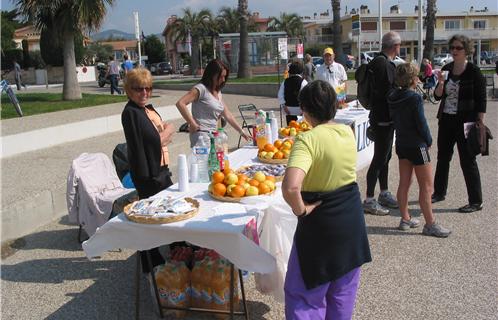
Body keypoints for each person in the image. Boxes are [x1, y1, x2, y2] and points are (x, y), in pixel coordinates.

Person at [282, 80, 371, 319]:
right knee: (343, 294)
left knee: (304, 295)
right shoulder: (347, 131)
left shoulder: (307, 140)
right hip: (351, 220)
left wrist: (301, 210)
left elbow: (291, 188)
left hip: (320, 224)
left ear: (305, 110)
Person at [121, 68, 176, 272]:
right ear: (128, 90)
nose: (144, 92)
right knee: (153, 217)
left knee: (164, 213)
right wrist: (169, 130)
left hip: (159, 169)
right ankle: (151, 261)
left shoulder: (144, 110)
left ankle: (169, 253)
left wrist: (162, 135)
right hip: (148, 174)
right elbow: (155, 141)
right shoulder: (131, 113)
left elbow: (154, 139)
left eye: (148, 88)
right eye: (138, 89)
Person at [388, 63, 451, 237]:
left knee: (404, 183)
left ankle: (405, 218)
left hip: (402, 144)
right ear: (412, 79)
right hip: (417, 145)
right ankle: (430, 223)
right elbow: (421, 123)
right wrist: (429, 140)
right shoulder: (414, 98)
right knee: (427, 186)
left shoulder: (392, 96)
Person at [432, 34, 486, 213]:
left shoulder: (474, 71)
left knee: (467, 160)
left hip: (466, 121)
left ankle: (476, 201)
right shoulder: (446, 68)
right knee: (443, 157)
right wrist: (440, 83)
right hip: (447, 119)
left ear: (466, 50)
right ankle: (439, 192)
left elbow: (481, 99)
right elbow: (437, 96)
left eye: (458, 48)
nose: (454, 51)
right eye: (452, 48)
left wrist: (480, 123)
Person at [362, 31, 401, 216]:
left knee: (385, 156)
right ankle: (370, 199)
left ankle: (384, 192)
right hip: (383, 118)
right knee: (380, 158)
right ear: (396, 46)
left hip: (381, 117)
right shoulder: (384, 64)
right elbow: (388, 93)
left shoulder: (377, 61)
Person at [175, 59, 250, 147]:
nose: (223, 80)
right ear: (212, 75)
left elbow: (228, 115)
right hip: (201, 137)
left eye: (224, 77)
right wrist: (192, 123)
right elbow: (180, 103)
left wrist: (242, 132)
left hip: (214, 135)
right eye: (221, 76)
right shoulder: (201, 89)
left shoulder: (218, 92)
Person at [277, 60, 308, 125]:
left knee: (290, 129)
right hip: (300, 110)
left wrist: (284, 106)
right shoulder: (303, 82)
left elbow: (280, 95)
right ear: (301, 70)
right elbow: (307, 97)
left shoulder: (285, 81)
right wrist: (304, 109)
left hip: (288, 110)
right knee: (300, 128)